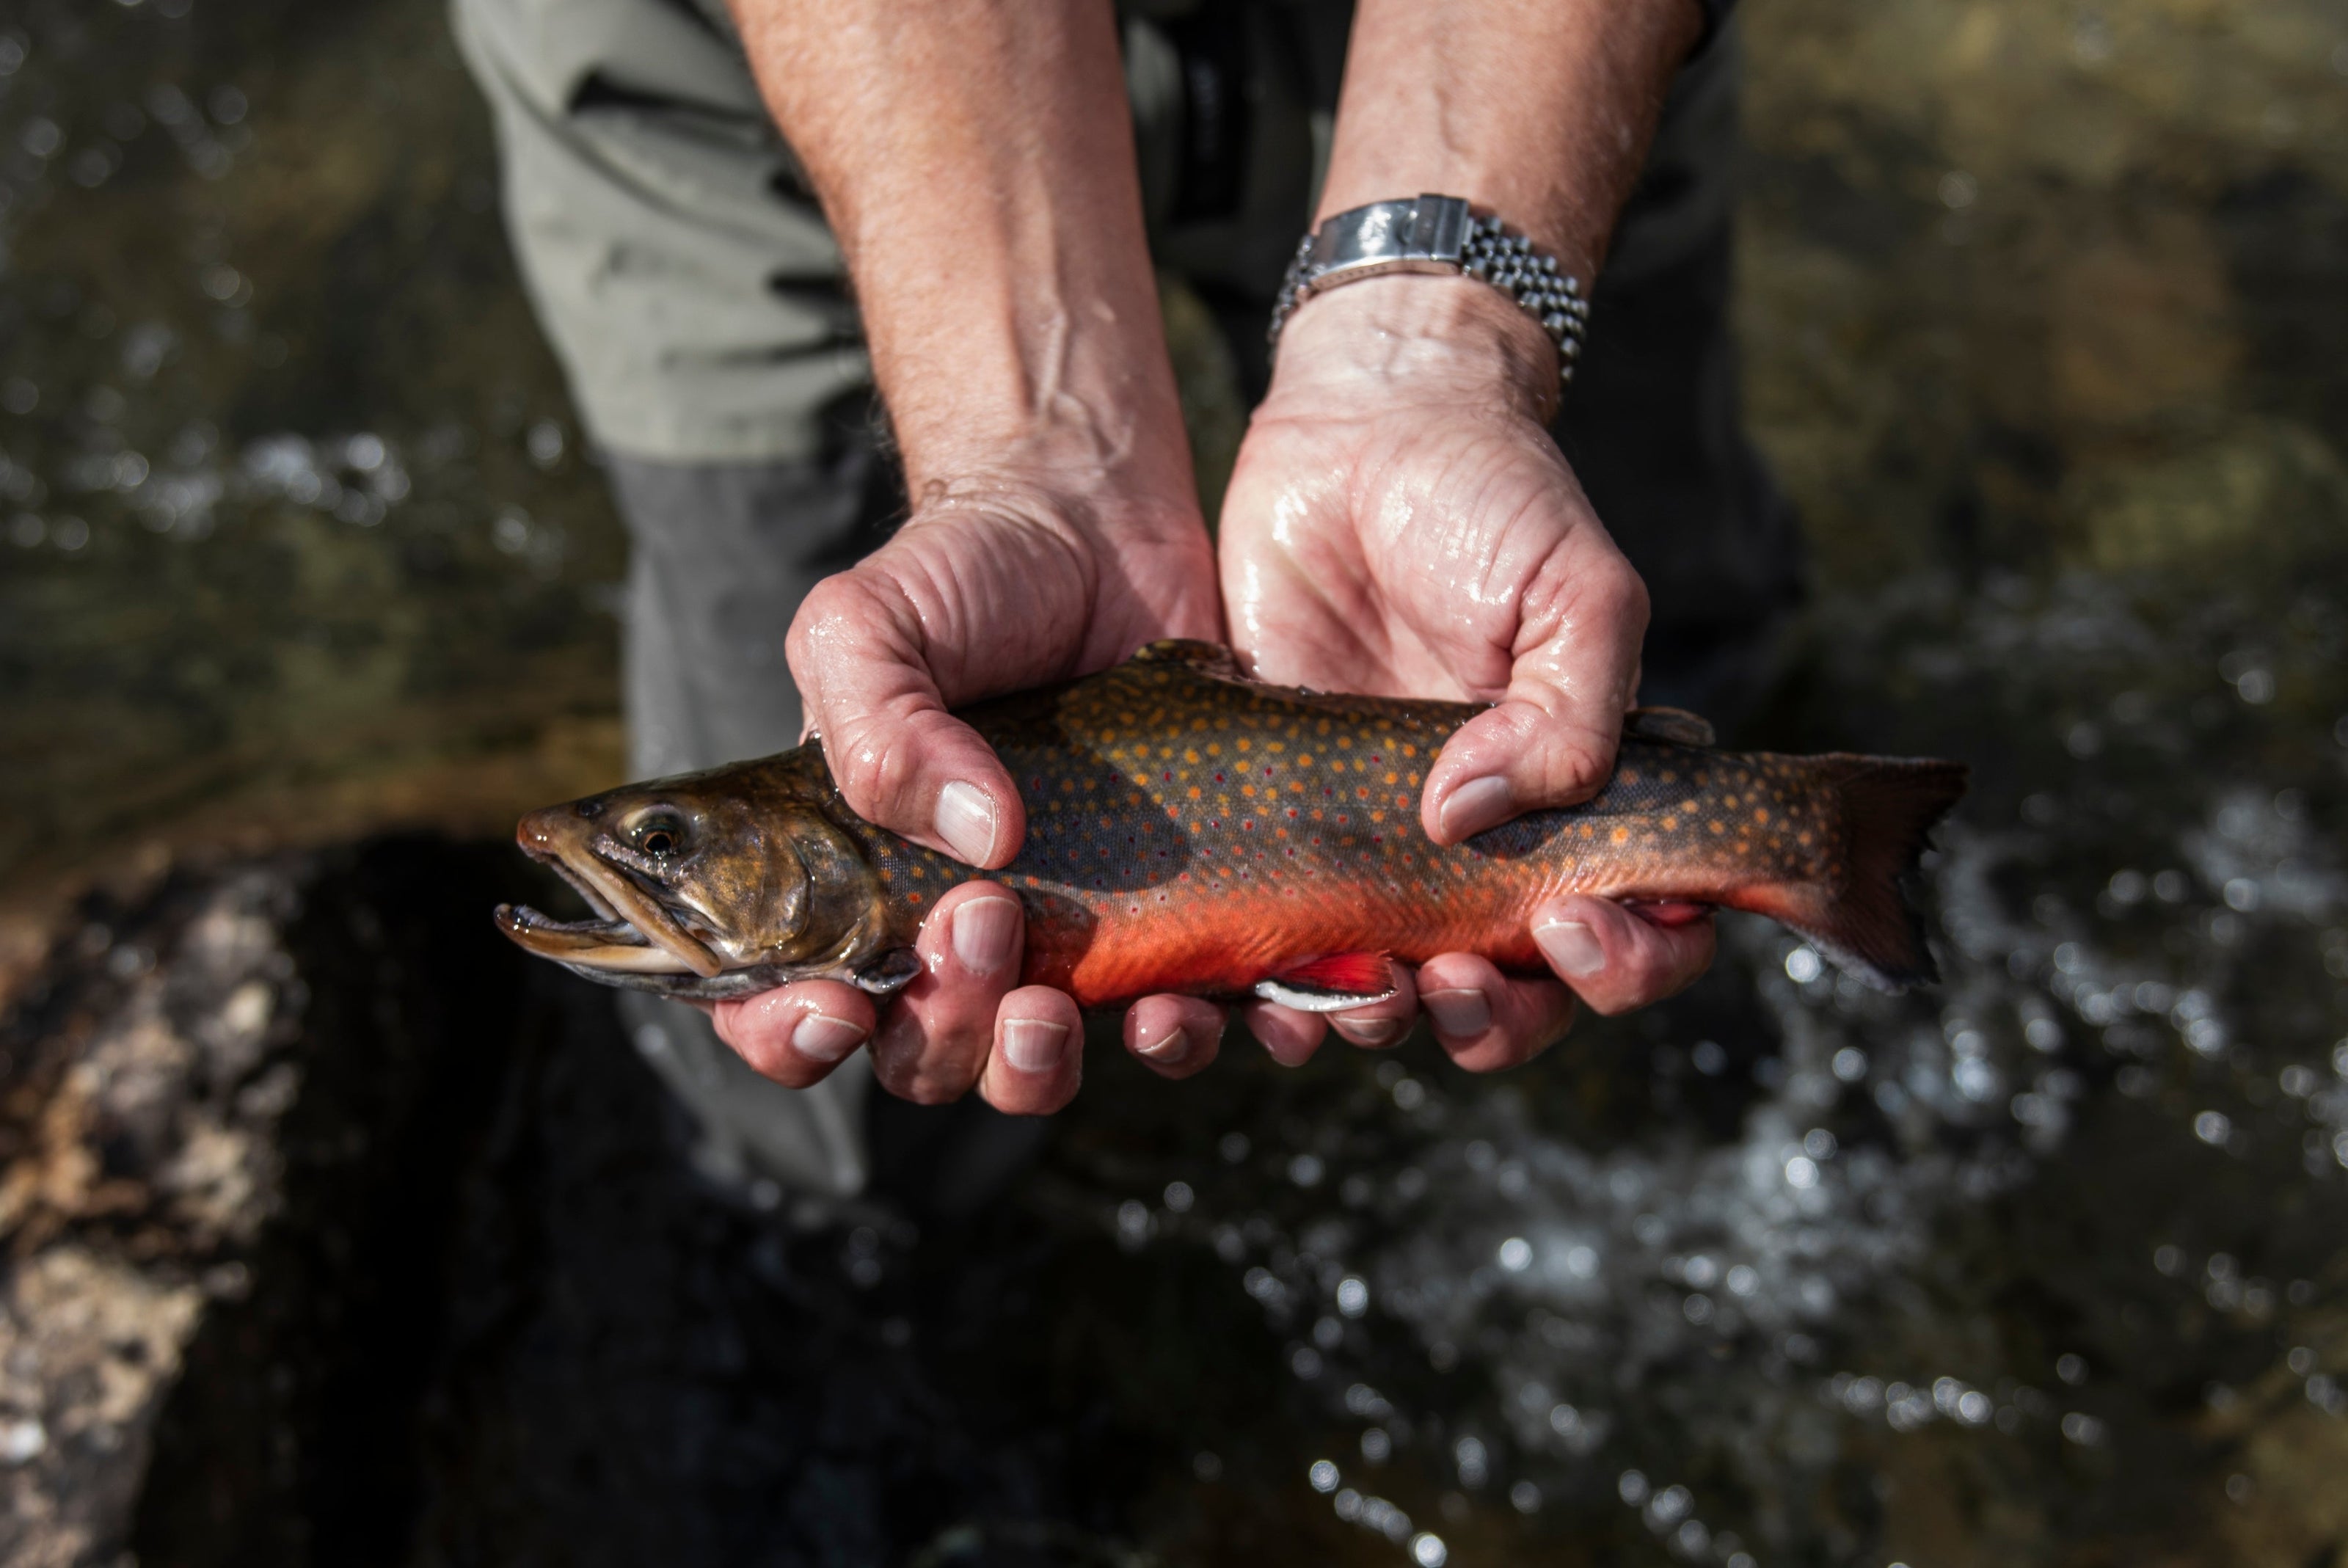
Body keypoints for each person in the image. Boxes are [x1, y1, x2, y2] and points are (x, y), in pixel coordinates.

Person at [454, 0, 1801, 1212]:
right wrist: (1029, 454)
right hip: (795, 80)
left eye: (665, 840)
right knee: (848, 1107)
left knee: (1615, 662)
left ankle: (1769, 903)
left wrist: (1436, 360)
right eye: (662, 841)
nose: (621, 845)